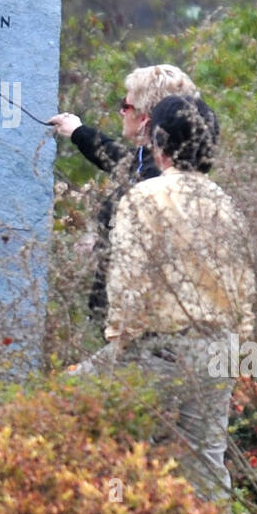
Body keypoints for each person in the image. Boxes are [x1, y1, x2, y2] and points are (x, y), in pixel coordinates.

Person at [69, 94, 256, 499]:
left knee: (88, 426)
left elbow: (127, 284)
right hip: (219, 349)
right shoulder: (226, 203)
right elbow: (243, 290)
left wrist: (119, 343)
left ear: (158, 141)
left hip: (157, 347)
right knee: (205, 465)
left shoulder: (144, 198)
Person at [48, 65, 207, 331]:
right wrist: (77, 131)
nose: (121, 112)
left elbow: (146, 248)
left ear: (145, 118)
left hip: (143, 332)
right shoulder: (159, 160)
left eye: (126, 105)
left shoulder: (159, 179)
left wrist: (102, 242)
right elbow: (120, 161)